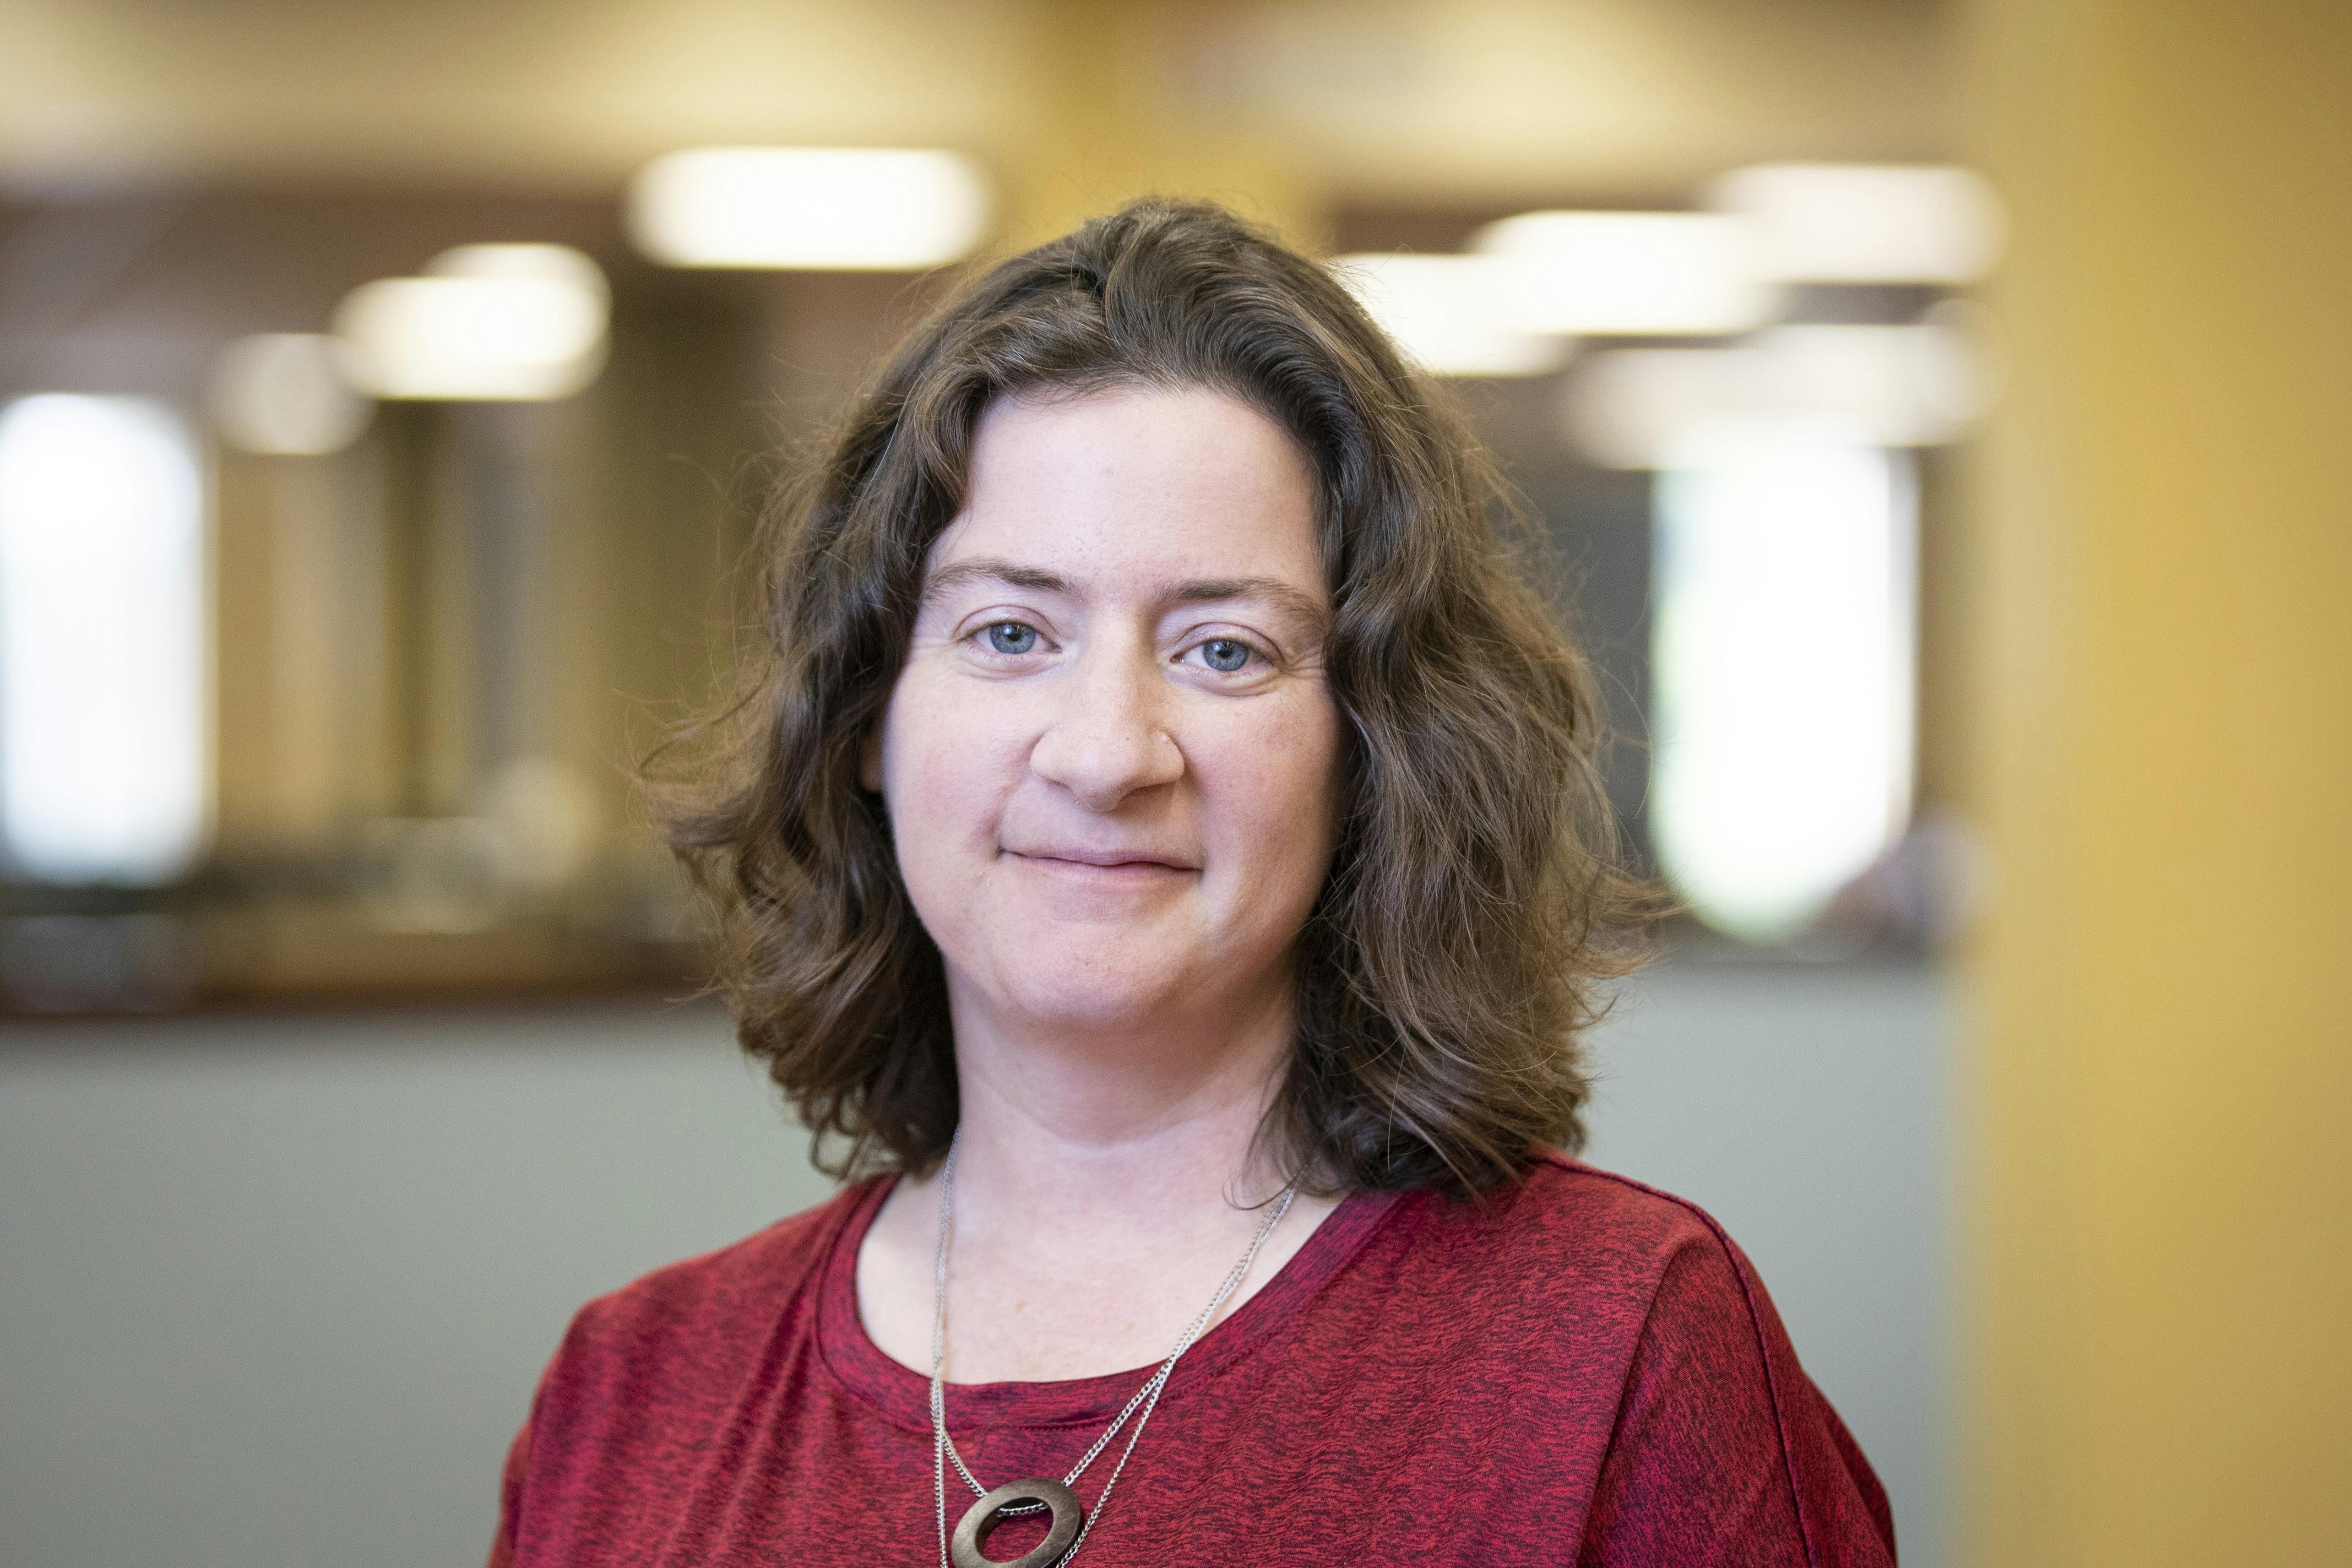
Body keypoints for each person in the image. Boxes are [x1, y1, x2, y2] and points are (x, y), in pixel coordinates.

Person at [487, 200, 1897, 1567]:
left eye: (1224, 649)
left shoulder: (1618, 1349)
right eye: (1007, 630)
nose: (1105, 752)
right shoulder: (632, 1390)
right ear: (869, 715)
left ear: (1369, 742)